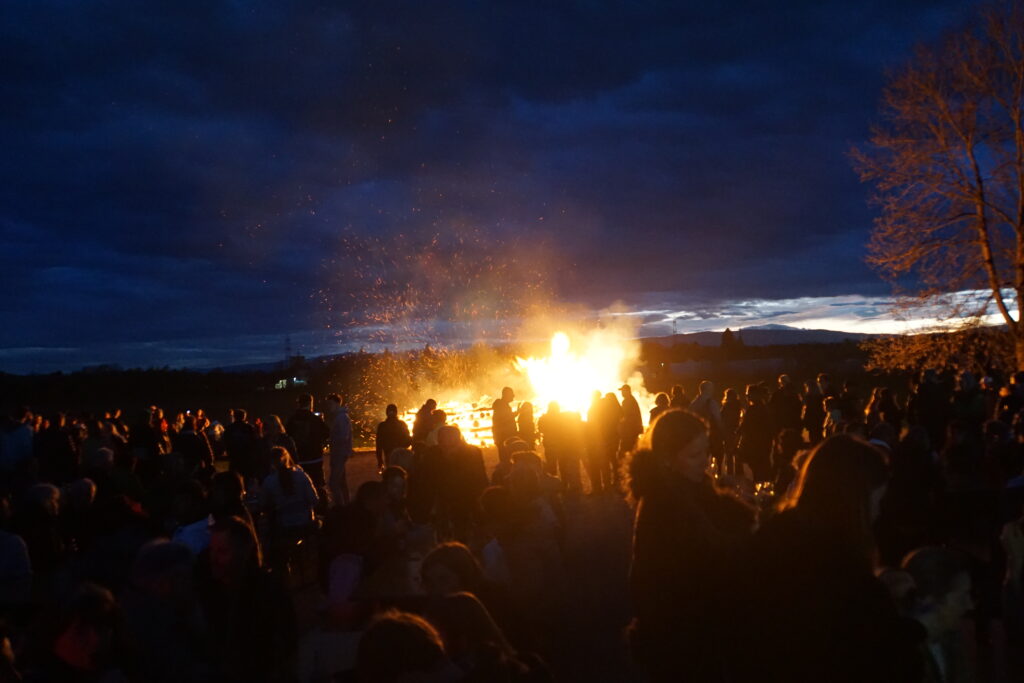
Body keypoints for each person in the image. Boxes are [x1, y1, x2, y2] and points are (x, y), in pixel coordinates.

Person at [734, 435, 919, 683]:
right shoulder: (840, 562)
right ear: (855, 499)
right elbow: (875, 652)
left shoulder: (774, 535)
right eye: (875, 500)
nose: (878, 511)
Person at [626, 409, 754, 683]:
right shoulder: (663, 507)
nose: (706, 461)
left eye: (706, 451)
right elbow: (714, 555)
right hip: (681, 641)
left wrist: (742, 505)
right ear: (668, 459)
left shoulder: (695, 490)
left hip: (701, 633)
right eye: (695, 455)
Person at [901, 546, 975, 683]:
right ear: (930, 599)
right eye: (962, 597)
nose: (970, 605)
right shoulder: (902, 657)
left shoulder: (952, 641)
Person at [285, 395, 329, 493]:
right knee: (317, 486)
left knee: (300, 487)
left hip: (299, 458)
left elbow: (287, 435)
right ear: (310, 403)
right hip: (315, 458)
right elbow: (326, 433)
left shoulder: (292, 420)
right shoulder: (315, 419)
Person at [326, 394, 353, 506]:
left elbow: (343, 436)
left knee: (333, 483)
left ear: (337, 403)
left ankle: (340, 507)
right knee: (341, 482)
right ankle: (347, 505)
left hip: (339, 454)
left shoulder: (341, 417)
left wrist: (331, 439)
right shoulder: (341, 417)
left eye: (331, 403)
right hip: (339, 453)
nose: (329, 406)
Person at [223, 408, 258, 484]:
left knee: (234, 479)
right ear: (244, 416)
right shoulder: (249, 428)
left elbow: (225, 442)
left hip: (234, 457)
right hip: (246, 457)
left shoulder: (229, 428)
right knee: (246, 479)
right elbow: (254, 442)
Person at [375, 404, 411, 472]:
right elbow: (408, 440)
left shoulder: (382, 426)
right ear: (396, 412)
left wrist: (380, 460)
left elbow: (379, 444)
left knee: (391, 473)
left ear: (386, 413)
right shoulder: (402, 424)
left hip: (389, 454)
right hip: (400, 454)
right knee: (401, 473)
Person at [618, 384, 644, 466]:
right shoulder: (632, 399)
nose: (622, 393)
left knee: (625, 450)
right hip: (634, 429)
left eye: (623, 391)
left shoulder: (627, 401)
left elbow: (624, 416)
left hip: (629, 431)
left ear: (627, 391)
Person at [492, 387, 518, 461]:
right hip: (503, 437)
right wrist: (515, 414)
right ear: (507, 395)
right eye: (511, 394)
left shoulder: (502, 405)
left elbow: (506, 417)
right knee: (506, 458)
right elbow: (504, 419)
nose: (513, 396)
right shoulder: (501, 405)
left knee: (506, 458)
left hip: (502, 437)